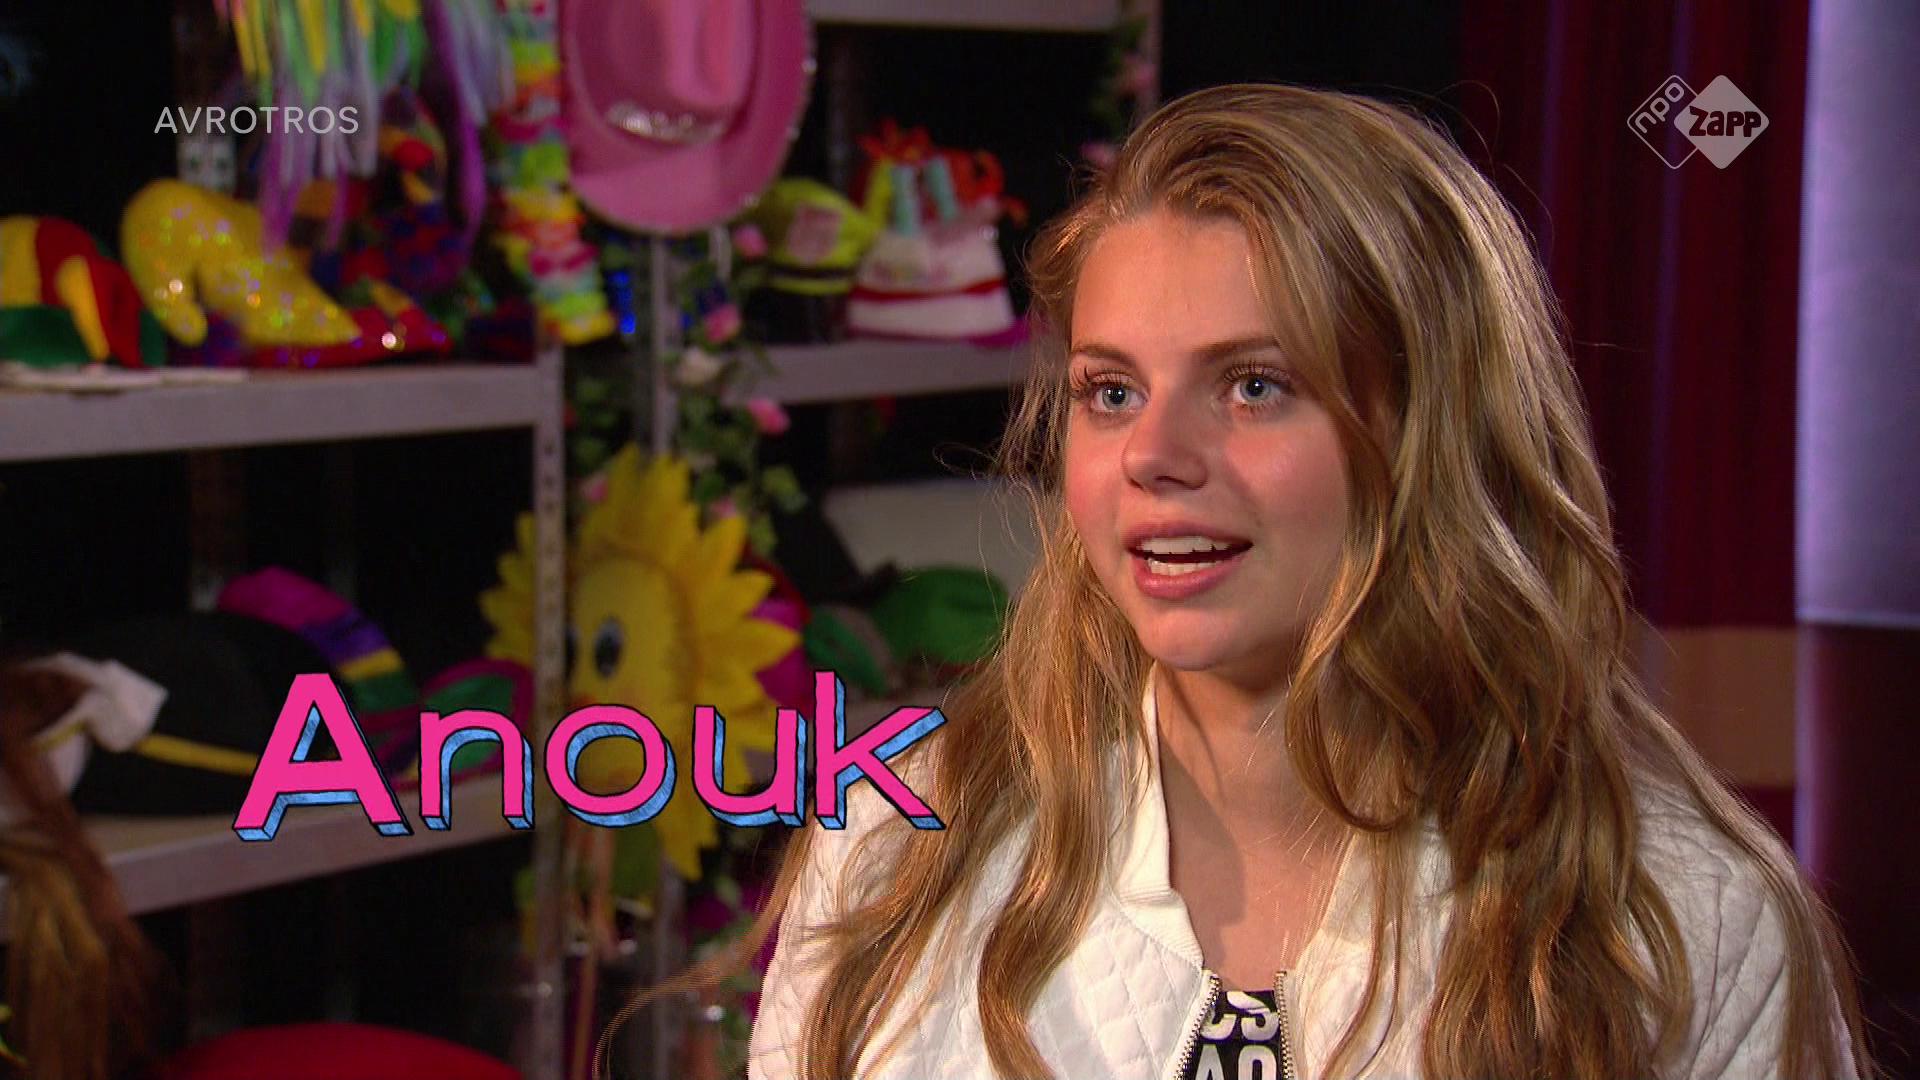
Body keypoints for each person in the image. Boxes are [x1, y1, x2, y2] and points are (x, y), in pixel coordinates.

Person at [732, 84, 1872, 1080]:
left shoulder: (1676, 924)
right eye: (1111, 392)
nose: (1153, 456)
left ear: (1430, 435)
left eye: (1253, 386)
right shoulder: (893, 849)